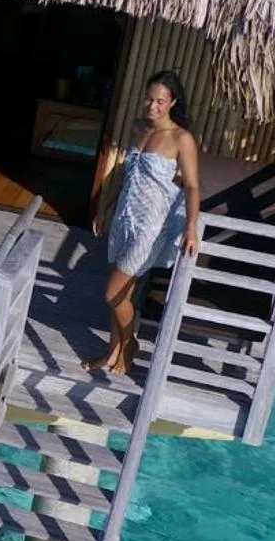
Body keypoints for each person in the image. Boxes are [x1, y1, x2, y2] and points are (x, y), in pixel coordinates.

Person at [84, 70, 201, 377]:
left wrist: (190, 226)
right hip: (126, 217)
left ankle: (130, 343)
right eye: (149, 99)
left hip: (151, 226)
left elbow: (191, 186)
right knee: (125, 292)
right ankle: (113, 354)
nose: (152, 106)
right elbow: (127, 174)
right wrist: (106, 207)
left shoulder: (181, 138)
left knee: (112, 293)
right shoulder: (140, 128)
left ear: (172, 102)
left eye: (160, 101)